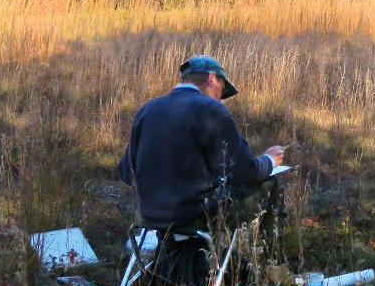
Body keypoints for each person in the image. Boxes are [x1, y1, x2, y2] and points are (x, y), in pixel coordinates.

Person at [118, 55, 284, 231]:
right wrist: (269, 160)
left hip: (149, 216)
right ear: (212, 78)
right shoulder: (212, 109)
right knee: (270, 183)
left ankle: (180, 252)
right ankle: (271, 253)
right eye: (222, 89)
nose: (220, 98)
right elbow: (244, 172)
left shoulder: (148, 109)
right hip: (195, 216)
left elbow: (126, 172)